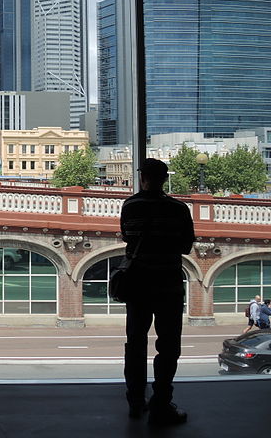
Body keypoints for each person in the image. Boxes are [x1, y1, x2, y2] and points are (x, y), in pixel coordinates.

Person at [120, 158, 195, 426]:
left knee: (135, 343)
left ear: (142, 178)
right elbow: (186, 246)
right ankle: (161, 403)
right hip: (169, 284)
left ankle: (135, 401)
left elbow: (127, 237)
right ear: (164, 178)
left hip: (138, 284)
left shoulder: (130, 206)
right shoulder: (178, 208)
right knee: (168, 346)